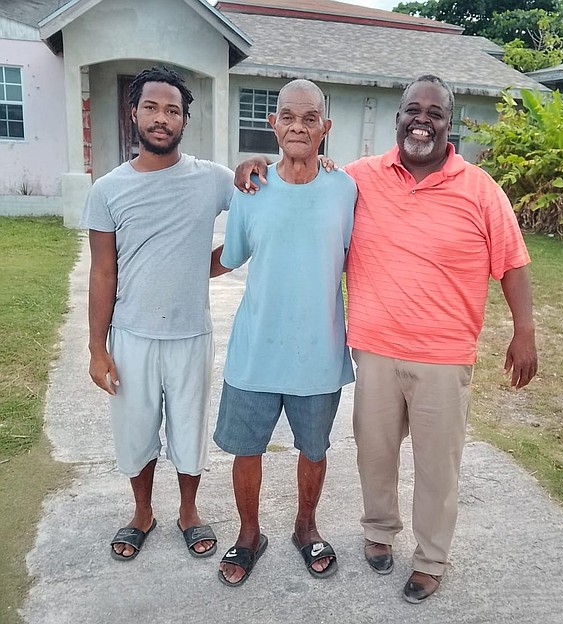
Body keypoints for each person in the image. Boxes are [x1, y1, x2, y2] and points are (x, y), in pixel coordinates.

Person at [234, 74, 538, 603]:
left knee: (436, 467)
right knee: (374, 456)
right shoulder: (358, 179)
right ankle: (378, 534)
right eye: (412, 110)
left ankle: (430, 559)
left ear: (450, 123)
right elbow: (303, 177)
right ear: (397, 118)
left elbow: (511, 263)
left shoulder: (480, 189)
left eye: (435, 113)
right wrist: (255, 164)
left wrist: (525, 331)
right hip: (373, 349)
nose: (422, 120)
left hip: (443, 356)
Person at [81, 66, 234, 562]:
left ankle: (189, 512)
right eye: (151, 107)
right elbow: (103, 273)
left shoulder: (211, 179)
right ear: (134, 113)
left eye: (172, 110)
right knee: (136, 429)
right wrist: (96, 348)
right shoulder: (108, 189)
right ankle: (142, 512)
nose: (161, 118)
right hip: (130, 335)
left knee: (189, 428)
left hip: (191, 333)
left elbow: (264, 206)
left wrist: (212, 263)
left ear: (185, 119)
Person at [211, 79, 356, 587]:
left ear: (325, 128)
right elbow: (230, 258)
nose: (298, 126)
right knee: (246, 450)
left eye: (310, 118)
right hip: (255, 350)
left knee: (313, 449)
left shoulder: (347, 189)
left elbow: (364, 258)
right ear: (273, 123)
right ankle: (249, 534)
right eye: (288, 116)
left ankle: (305, 527)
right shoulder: (250, 187)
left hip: (319, 352)